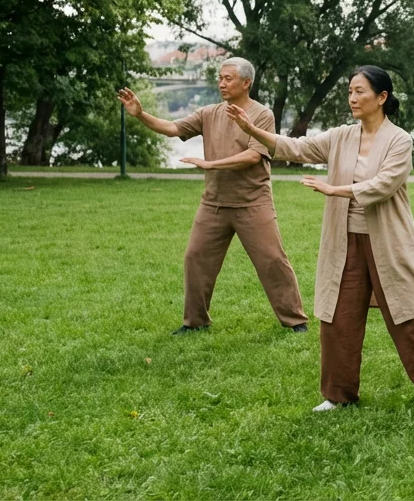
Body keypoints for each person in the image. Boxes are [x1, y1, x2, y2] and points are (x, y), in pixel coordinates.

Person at [227, 66, 414, 413]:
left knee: (410, 314)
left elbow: (384, 184)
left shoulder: (400, 140)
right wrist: (252, 130)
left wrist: (336, 189)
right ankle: (338, 395)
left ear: (381, 98)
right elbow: (296, 148)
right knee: (338, 317)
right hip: (345, 240)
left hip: (388, 243)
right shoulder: (341, 136)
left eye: (360, 92)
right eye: (349, 91)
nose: (352, 98)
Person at [117, 58, 307, 335]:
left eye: (228, 78)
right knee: (196, 258)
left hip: (252, 202)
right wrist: (140, 114)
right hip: (214, 203)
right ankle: (195, 323)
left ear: (246, 83)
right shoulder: (209, 112)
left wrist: (211, 164)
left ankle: (295, 321)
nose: (221, 83)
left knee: (272, 260)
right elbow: (173, 128)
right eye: (220, 78)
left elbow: (254, 155)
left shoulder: (262, 114)